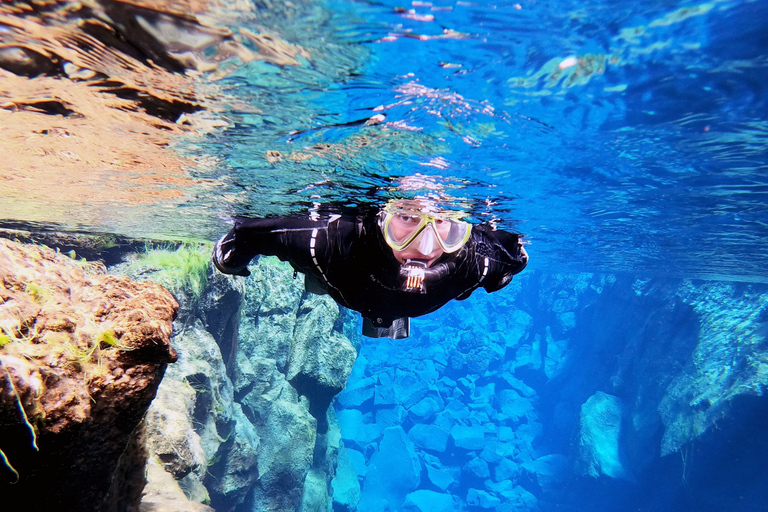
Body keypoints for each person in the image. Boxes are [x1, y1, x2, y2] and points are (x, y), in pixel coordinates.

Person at [212, 200, 528, 339]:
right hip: (340, 279)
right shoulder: (324, 242)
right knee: (315, 277)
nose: (428, 247)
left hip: (350, 290)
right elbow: (246, 236)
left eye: (444, 223)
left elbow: (514, 261)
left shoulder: (475, 264)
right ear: (380, 218)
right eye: (407, 218)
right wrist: (231, 260)